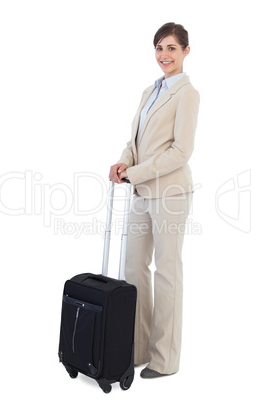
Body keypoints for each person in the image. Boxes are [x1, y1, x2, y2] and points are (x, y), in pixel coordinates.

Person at [109, 22, 200, 379]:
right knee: (133, 269)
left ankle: (164, 359)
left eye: (172, 48)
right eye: (159, 48)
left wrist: (137, 172)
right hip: (141, 190)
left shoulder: (188, 95)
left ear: (186, 52)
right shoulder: (150, 90)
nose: (164, 55)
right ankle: (137, 347)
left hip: (171, 193)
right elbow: (136, 140)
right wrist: (123, 162)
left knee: (167, 273)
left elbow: (181, 151)